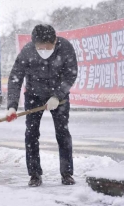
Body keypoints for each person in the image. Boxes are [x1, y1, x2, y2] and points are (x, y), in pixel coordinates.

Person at [6, 24, 78, 187]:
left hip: (59, 97)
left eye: (48, 47)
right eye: (41, 48)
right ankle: (34, 174)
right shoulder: (28, 51)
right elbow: (15, 78)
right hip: (34, 95)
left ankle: (67, 173)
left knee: (62, 132)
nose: (44, 50)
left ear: (55, 40)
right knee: (31, 134)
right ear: (34, 44)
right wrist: (12, 106)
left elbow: (71, 74)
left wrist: (57, 96)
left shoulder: (65, 48)